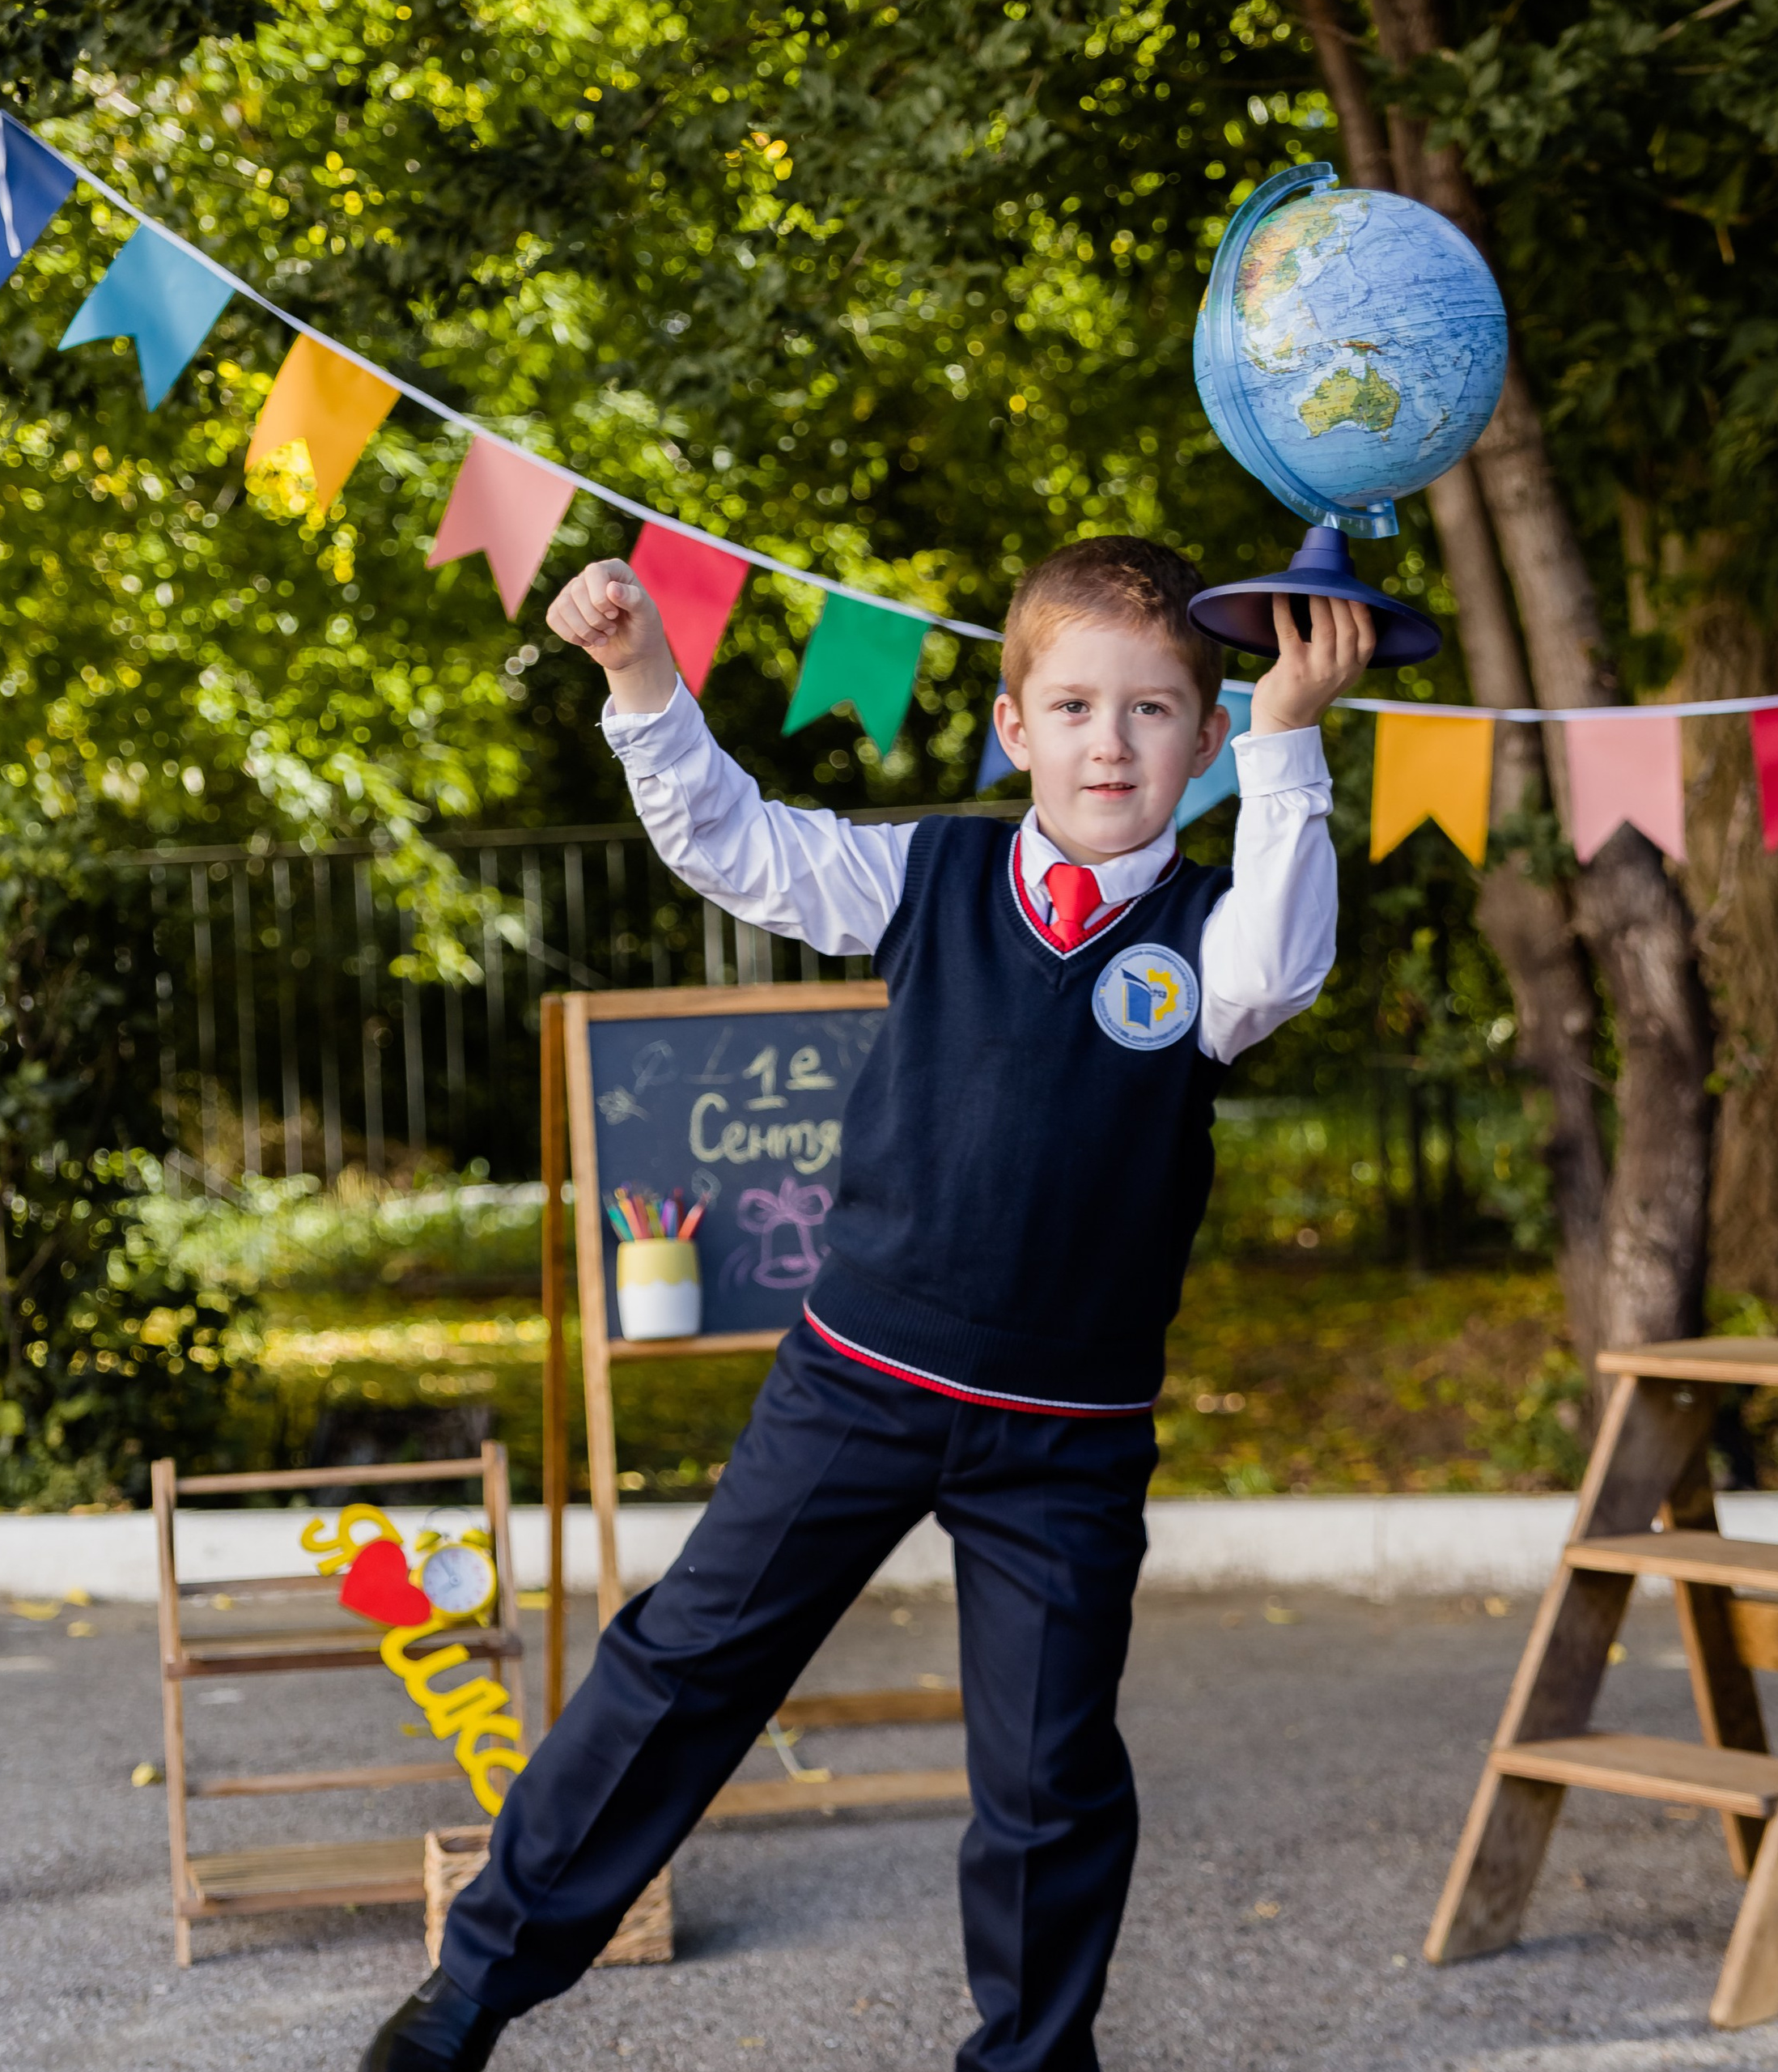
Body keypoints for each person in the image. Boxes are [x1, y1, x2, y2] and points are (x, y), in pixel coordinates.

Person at [363, 537, 1372, 2072]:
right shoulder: (934, 873)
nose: (1113, 741)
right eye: (1079, 707)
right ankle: (468, 1997)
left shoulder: (1214, 937)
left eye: (1157, 712)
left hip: (1068, 1437)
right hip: (859, 1384)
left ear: (1207, 739)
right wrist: (643, 676)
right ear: (1014, 727)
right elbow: (736, 845)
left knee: (1047, 1779)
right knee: (681, 1671)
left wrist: (1297, 732)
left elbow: (1281, 968)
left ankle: (1031, 2064)